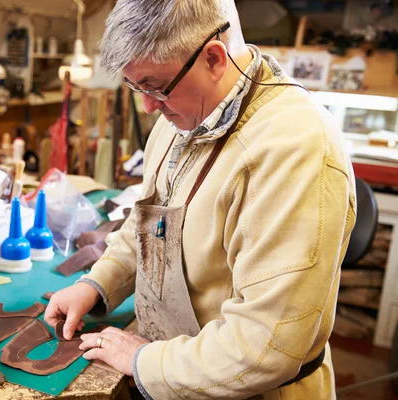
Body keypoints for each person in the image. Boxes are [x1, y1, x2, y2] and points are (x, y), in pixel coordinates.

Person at [44, 1, 356, 398]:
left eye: (156, 86)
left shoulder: (296, 148)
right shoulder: (181, 115)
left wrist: (145, 361)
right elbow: (151, 225)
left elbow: (265, 347)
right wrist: (95, 285)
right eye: (136, 86)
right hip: (177, 372)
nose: (148, 106)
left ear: (213, 58)